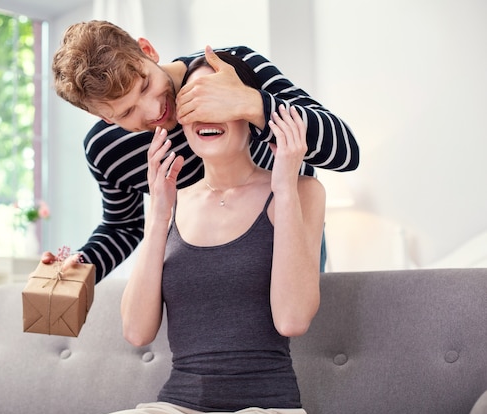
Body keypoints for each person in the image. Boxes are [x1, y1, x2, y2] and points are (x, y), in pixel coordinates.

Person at [102, 52, 325, 414]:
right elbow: (137, 332)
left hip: (266, 408)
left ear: (246, 112)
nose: (204, 115)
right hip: (177, 406)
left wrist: (284, 187)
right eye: (192, 103)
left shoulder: (300, 191)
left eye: (216, 101)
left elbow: (292, 319)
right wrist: (158, 216)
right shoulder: (169, 203)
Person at [46, 20, 355, 281]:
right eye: (126, 113)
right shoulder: (106, 150)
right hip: (203, 252)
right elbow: (123, 226)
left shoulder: (231, 69)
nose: (154, 111)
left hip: (288, 234)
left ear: (148, 51)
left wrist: (249, 102)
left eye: (144, 86)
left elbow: (345, 152)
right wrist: (82, 264)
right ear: (103, 117)